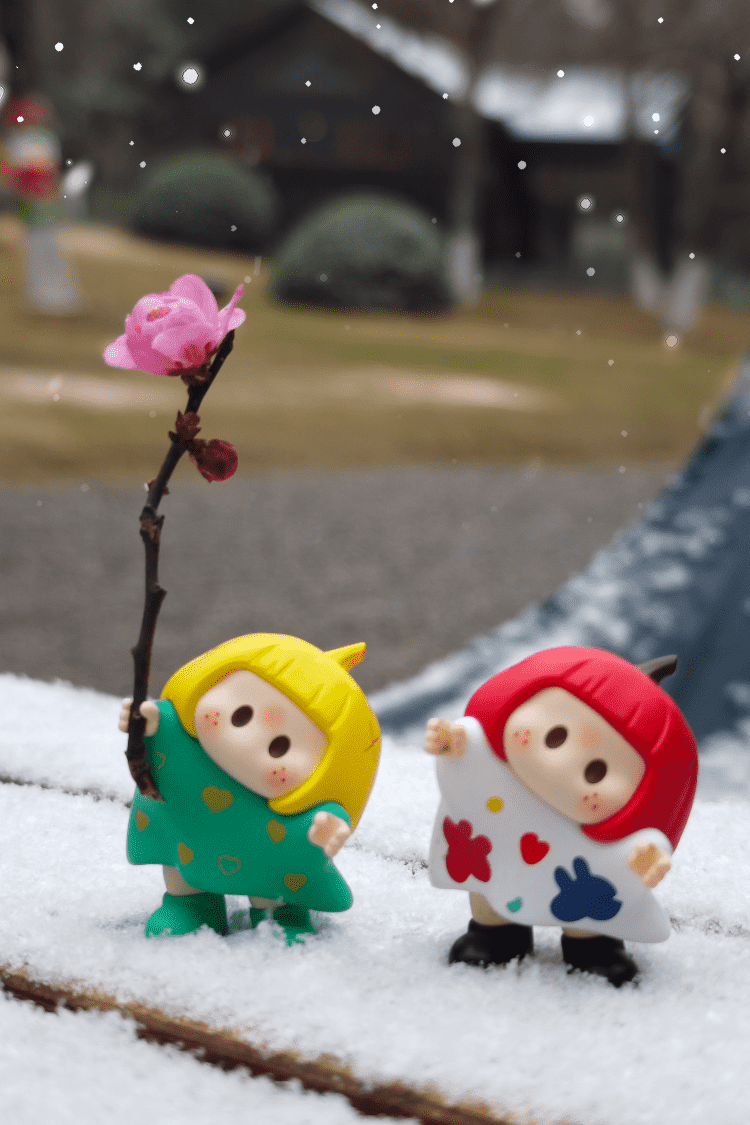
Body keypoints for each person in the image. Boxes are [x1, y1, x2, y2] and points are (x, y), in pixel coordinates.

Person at [425, 647, 698, 986]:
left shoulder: (609, 838)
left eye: (595, 772)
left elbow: (642, 848)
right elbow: (469, 754)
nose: (559, 765)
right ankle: (495, 934)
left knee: (592, 893)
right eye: (555, 736)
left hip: (583, 871)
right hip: (496, 841)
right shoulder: (494, 770)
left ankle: (592, 947)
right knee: (488, 877)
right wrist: (455, 743)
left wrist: (647, 856)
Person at [122, 633, 381, 943]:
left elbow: (327, 815)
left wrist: (328, 826)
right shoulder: (181, 743)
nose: (244, 741)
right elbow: (159, 727)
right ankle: (191, 905)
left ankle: (280, 917)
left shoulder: (297, 809)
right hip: (188, 829)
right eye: (241, 715)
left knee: (273, 878)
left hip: (268, 850)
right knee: (182, 873)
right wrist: (146, 723)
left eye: (279, 747)